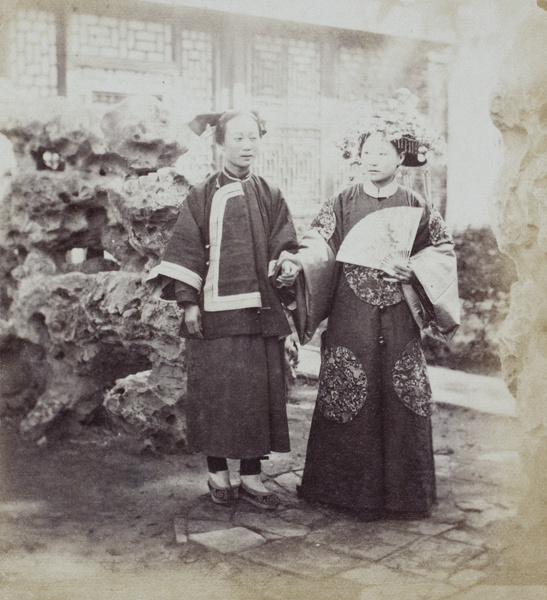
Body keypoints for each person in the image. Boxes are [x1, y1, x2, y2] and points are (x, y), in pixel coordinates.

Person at [277, 92, 460, 520]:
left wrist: (413, 268)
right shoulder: (342, 202)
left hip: (398, 315)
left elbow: (443, 249)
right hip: (350, 312)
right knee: (347, 389)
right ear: (356, 158)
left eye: (383, 152)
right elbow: (318, 243)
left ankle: (404, 495)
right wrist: (296, 263)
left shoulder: (416, 205)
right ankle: (339, 491)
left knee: (402, 391)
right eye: (366, 152)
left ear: (401, 158)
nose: (373, 159)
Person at [145, 110, 299, 509]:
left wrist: (285, 264)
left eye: (253, 138)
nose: (247, 146)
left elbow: (286, 244)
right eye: (238, 139)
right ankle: (218, 472)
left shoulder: (270, 193)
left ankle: (251, 475)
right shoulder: (202, 193)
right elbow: (186, 249)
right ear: (221, 143)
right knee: (215, 392)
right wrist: (188, 303)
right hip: (214, 312)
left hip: (259, 311)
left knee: (256, 393)